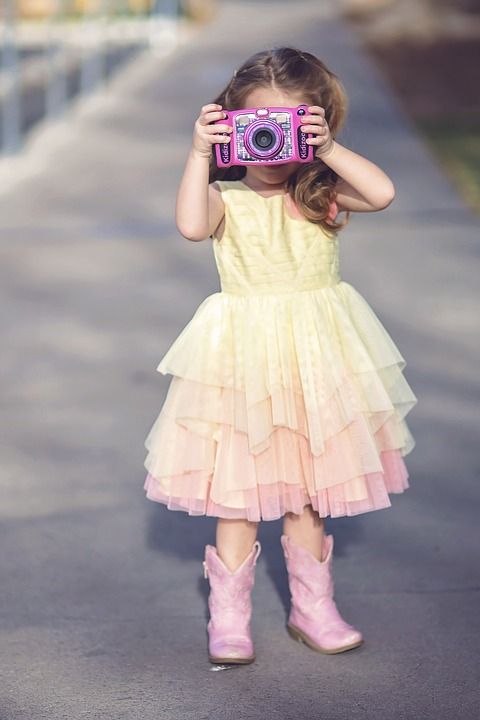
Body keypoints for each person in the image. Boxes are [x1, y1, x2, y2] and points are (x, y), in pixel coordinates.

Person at [143, 46, 418, 665]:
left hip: (316, 360)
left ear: (315, 128)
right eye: (258, 127)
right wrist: (198, 153)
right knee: (238, 497)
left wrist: (324, 150)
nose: (275, 145)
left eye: (293, 129)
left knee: (308, 495)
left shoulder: (320, 193)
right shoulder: (227, 200)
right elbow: (191, 225)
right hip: (244, 366)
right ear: (232, 126)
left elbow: (382, 192)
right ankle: (230, 618)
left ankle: (311, 607)